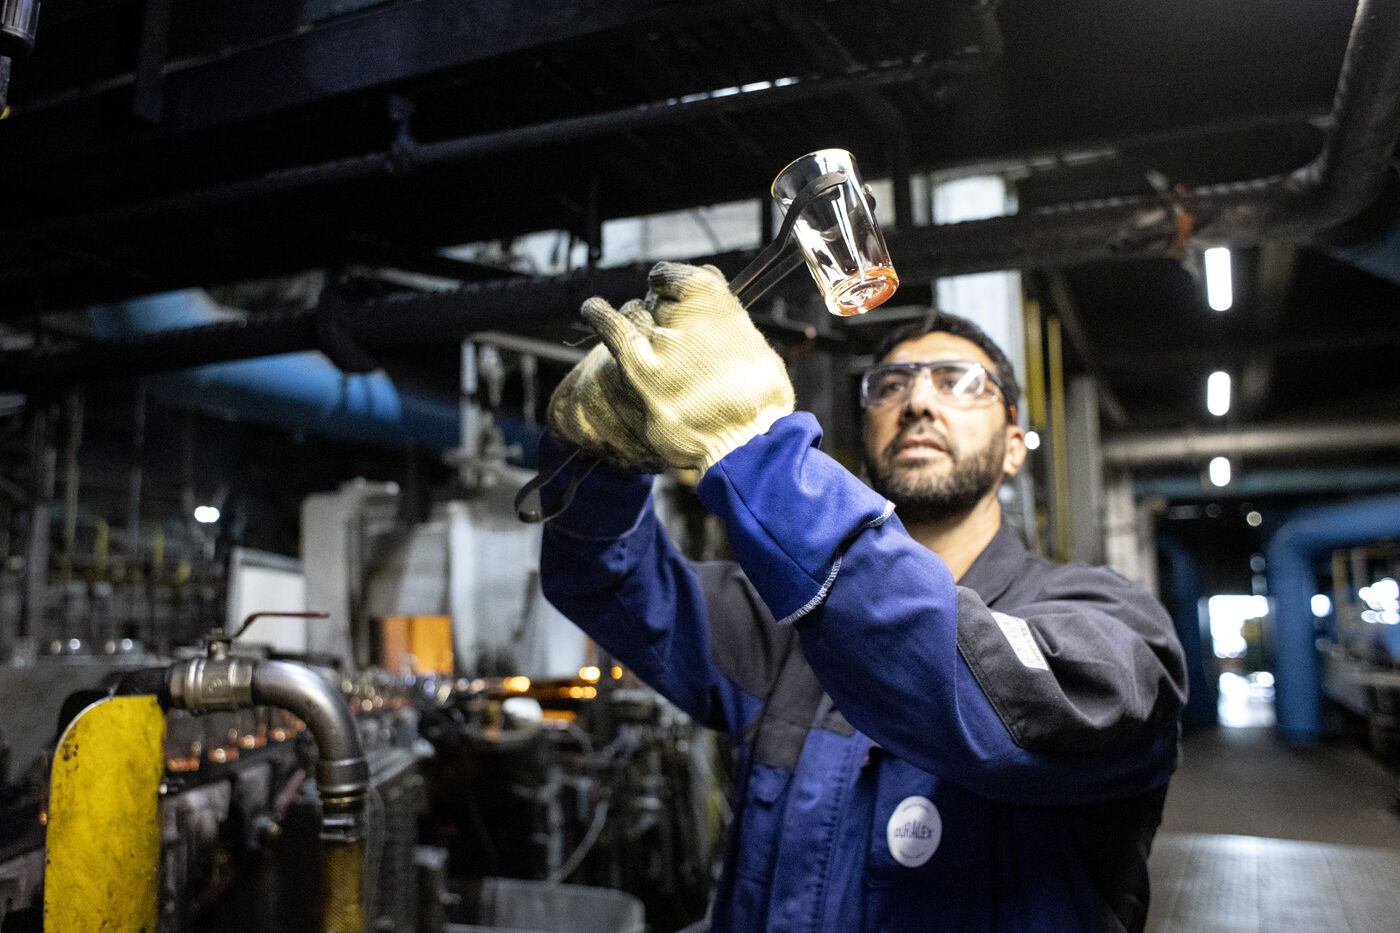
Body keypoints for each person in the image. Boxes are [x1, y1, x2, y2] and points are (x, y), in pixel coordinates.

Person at [535, 261, 1187, 932]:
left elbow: (979, 694)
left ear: (1015, 447)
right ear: (866, 430)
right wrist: (596, 463)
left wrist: (754, 448)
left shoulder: (1112, 625)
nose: (918, 402)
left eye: (959, 382)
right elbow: (606, 579)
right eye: (890, 385)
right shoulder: (780, 626)